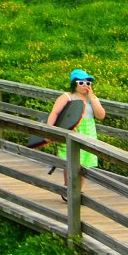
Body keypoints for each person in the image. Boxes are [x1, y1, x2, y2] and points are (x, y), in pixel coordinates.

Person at [45, 69, 105, 198]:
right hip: (71, 131)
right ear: (74, 83)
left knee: (84, 163)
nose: (85, 85)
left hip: (88, 133)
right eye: (81, 82)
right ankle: (68, 188)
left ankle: (78, 191)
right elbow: (54, 113)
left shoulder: (92, 99)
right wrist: (50, 131)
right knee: (70, 161)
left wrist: (93, 98)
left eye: (88, 83)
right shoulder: (67, 96)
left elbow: (101, 115)